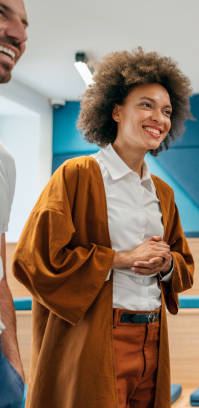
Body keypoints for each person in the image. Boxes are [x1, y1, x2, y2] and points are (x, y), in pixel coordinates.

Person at [12, 48, 195, 408]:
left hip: (152, 338)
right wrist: (122, 259)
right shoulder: (76, 175)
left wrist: (166, 264)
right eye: (146, 105)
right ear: (115, 110)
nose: (158, 117)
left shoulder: (162, 193)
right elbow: (34, 260)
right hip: (96, 340)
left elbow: (184, 266)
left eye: (166, 110)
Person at [0, 0, 27, 406]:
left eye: (24, 24)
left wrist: (14, 365)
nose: (19, 34)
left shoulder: (3, 160)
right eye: (2, 12)